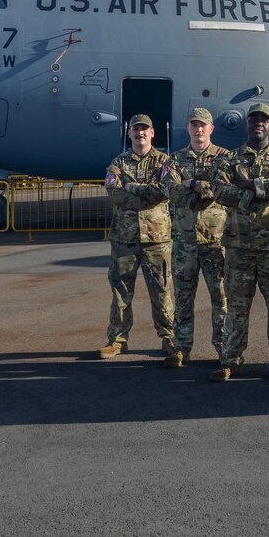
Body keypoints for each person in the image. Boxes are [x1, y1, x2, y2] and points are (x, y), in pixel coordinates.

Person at [208, 103, 269, 381]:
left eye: (264, 120)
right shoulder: (230, 159)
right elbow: (219, 191)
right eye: (254, 119)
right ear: (246, 124)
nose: (259, 123)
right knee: (236, 306)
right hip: (239, 247)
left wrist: (249, 185)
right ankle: (230, 359)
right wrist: (260, 191)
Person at [97, 114, 175, 359]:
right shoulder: (118, 163)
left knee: (162, 290)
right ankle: (117, 340)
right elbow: (114, 193)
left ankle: (169, 338)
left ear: (152, 133)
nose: (140, 133)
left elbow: (166, 191)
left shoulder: (165, 162)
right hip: (125, 238)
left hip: (157, 239)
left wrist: (132, 187)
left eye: (144, 129)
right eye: (136, 130)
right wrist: (146, 193)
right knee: (121, 291)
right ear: (129, 133)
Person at [160, 108, 231, 369]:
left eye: (203, 125)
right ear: (187, 128)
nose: (198, 129)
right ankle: (181, 347)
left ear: (211, 128)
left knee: (221, 298)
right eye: (194, 125)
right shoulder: (175, 159)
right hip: (185, 242)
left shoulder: (224, 158)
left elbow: (221, 189)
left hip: (215, 242)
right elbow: (170, 191)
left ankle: (224, 348)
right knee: (183, 296)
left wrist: (190, 184)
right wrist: (194, 185)